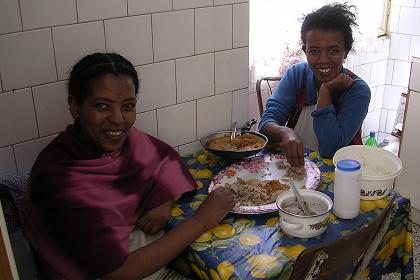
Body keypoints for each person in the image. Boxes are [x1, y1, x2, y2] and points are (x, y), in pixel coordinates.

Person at [23, 52, 235, 280]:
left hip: (150, 263)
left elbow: (165, 159)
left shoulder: (125, 143)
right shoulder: (58, 180)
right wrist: (201, 220)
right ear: (75, 106)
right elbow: (116, 272)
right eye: (102, 106)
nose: (118, 119)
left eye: (128, 106)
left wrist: (163, 198)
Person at [259, 3, 371, 167]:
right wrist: (285, 132)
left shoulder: (358, 91)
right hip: (296, 169)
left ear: (345, 51)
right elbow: (266, 123)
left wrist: (325, 93)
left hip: (339, 175)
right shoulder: (297, 75)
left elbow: (331, 150)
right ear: (305, 51)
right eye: (314, 51)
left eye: (333, 50)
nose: (323, 59)